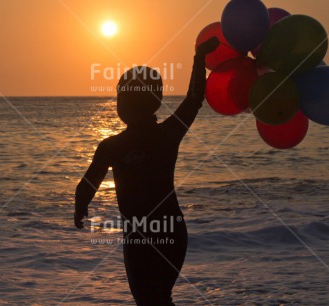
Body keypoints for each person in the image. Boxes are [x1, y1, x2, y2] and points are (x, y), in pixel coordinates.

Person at [74, 36, 220, 305]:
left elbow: (87, 185)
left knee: (152, 299)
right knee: (158, 299)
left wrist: (80, 206)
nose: (121, 103)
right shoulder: (154, 136)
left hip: (156, 233)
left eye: (125, 97)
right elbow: (88, 183)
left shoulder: (147, 138)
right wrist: (80, 204)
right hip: (158, 232)